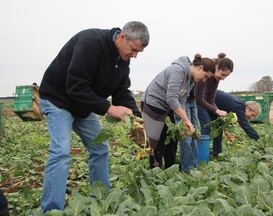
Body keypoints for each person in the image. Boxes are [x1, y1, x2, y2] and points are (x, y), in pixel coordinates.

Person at [39, 21, 149, 211]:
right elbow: (75, 86)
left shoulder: (123, 59)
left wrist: (137, 118)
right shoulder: (91, 42)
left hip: (82, 105)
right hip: (58, 100)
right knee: (61, 152)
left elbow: (122, 91)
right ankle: (51, 209)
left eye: (138, 52)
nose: (135, 56)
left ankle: (100, 198)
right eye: (133, 50)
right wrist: (109, 108)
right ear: (122, 37)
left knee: (100, 148)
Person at [141, 54, 215, 169]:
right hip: (153, 104)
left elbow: (182, 100)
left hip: (168, 107)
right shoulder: (178, 70)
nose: (204, 80)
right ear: (200, 67)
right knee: (157, 142)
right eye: (205, 76)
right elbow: (171, 98)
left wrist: (185, 120)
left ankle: (170, 171)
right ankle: (155, 173)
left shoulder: (190, 80)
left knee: (172, 139)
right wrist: (186, 119)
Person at [196, 53, 234, 141]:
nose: (223, 78)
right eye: (223, 74)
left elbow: (211, 100)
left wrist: (218, 113)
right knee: (207, 125)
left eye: (226, 76)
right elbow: (199, 99)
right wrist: (216, 110)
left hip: (203, 102)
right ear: (216, 67)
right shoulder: (205, 75)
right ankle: (202, 153)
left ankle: (217, 152)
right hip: (196, 101)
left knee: (218, 122)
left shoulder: (216, 80)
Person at [212, 90, 261, 156]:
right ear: (248, 109)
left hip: (213, 103)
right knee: (207, 131)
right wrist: (258, 139)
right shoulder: (239, 107)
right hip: (206, 101)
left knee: (218, 129)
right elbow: (246, 127)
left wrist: (226, 130)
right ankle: (205, 155)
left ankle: (216, 153)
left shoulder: (240, 103)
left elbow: (224, 117)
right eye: (252, 115)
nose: (251, 117)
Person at [174, 86, 199, 171]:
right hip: (182, 101)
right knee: (186, 136)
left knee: (194, 134)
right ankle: (187, 168)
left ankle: (194, 165)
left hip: (193, 100)